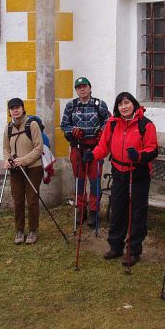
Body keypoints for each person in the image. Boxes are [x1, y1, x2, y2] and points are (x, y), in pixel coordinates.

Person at [83, 92, 158, 266]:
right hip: (119, 170)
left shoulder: (145, 125)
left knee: (137, 211)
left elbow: (152, 149)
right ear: (117, 108)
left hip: (138, 172)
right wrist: (92, 155)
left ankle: (133, 250)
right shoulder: (112, 124)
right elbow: (103, 146)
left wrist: (139, 155)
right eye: (120, 104)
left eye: (127, 103)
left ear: (134, 104)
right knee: (118, 209)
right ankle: (115, 246)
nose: (123, 107)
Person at [60, 76, 110, 229]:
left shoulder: (99, 104)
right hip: (78, 149)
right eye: (79, 87)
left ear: (90, 87)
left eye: (84, 86)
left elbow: (108, 121)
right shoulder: (71, 105)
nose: (82, 89)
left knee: (94, 182)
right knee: (79, 181)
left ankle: (94, 212)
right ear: (76, 90)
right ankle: (81, 211)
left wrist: (101, 131)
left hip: (95, 149)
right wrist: (72, 131)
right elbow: (64, 125)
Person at [3, 97, 44, 245]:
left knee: (32, 200)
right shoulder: (8, 128)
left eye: (18, 107)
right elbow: (6, 148)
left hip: (33, 167)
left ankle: (33, 230)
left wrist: (24, 160)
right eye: (12, 108)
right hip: (16, 169)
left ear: (22, 108)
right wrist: (7, 160)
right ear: (9, 111)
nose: (15, 110)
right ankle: (19, 230)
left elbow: (38, 148)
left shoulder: (32, 124)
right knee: (18, 200)